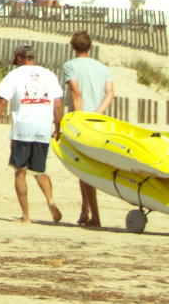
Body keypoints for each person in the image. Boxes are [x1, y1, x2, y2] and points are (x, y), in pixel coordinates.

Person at [0, 44, 64, 224]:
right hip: (43, 129)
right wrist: (57, 128)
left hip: (23, 129)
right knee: (39, 170)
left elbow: (2, 102)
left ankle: (26, 216)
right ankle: (50, 199)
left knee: (20, 172)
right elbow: (58, 104)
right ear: (33, 58)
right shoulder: (49, 75)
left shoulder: (14, 75)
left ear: (19, 59)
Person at [60, 31, 114, 229]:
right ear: (89, 47)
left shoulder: (70, 66)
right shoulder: (102, 67)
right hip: (99, 122)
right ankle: (85, 210)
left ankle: (95, 217)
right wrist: (98, 113)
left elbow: (76, 92)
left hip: (83, 121)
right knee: (84, 168)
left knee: (86, 168)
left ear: (73, 47)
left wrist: (79, 118)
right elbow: (110, 94)